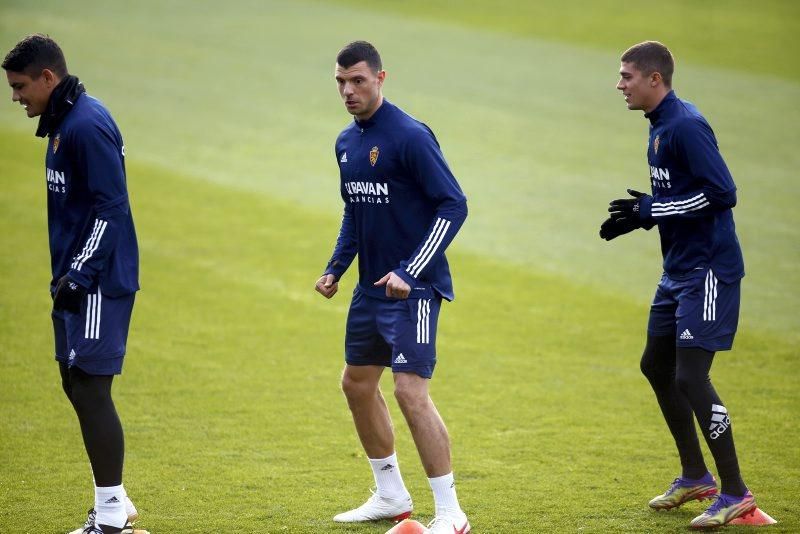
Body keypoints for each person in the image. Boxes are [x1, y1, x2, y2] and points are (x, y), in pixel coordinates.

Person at [315, 41, 470, 533]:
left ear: (382, 78)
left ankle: (451, 513)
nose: (348, 90)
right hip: (369, 290)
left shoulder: (409, 136)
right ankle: (390, 494)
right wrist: (336, 267)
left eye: (358, 80)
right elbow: (354, 213)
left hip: (414, 291)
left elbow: (454, 205)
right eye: (340, 81)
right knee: (356, 384)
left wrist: (411, 270)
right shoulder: (346, 143)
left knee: (409, 392)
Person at [601, 40, 756, 529]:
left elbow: (722, 193)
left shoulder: (685, 125)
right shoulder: (658, 127)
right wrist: (646, 213)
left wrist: (652, 211)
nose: (619, 84)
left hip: (708, 271)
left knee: (691, 375)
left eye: (626, 76)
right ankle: (695, 476)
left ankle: (734, 491)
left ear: (654, 79)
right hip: (677, 272)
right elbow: (684, 194)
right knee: (655, 364)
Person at [4, 35, 144, 534]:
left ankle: (110, 519)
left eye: (20, 87)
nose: (15, 97)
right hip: (73, 279)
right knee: (74, 382)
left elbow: (112, 206)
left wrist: (80, 273)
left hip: (97, 283)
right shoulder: (64, 123)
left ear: (48, 77)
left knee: (89, 386)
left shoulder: (86, 125)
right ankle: (118, 502)